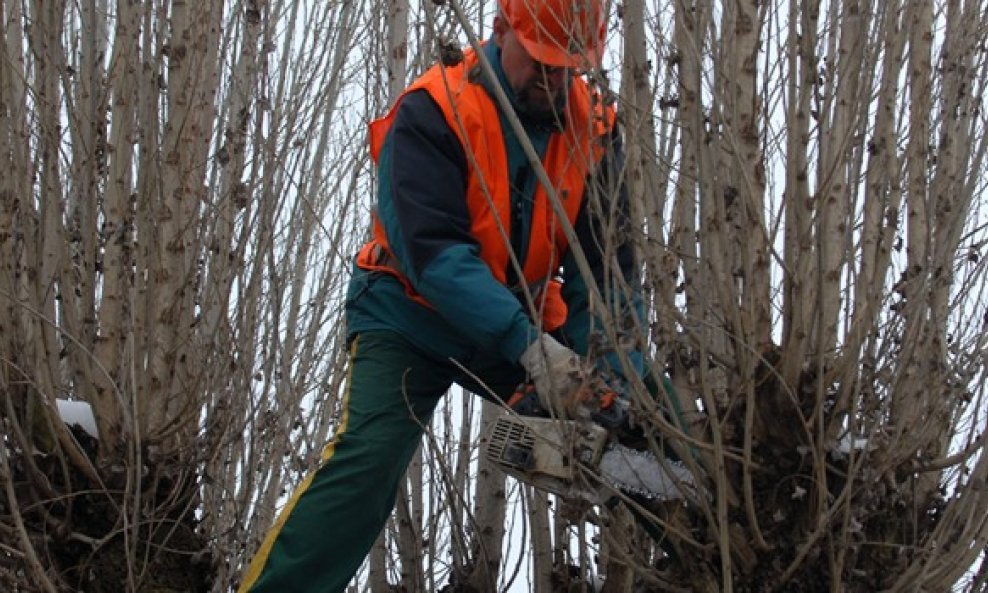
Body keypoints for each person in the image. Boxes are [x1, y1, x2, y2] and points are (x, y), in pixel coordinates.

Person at [237, 0, 644, 590]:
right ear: (501, 30)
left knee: (643, 419)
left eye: (567, 68)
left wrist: (610, 376)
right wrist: (529, 348)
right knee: (368, 465)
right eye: (540, 63)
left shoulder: (595, 127)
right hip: (409, 313)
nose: (553, 80)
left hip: (520, 318)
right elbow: (434, 254)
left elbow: (605, 272)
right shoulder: (434, 107)